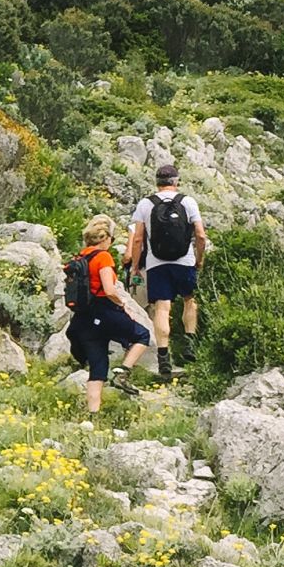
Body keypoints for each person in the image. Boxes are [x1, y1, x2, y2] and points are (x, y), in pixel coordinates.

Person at [126, 162, 208, 381]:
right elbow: (200, 235)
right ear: (176, 181)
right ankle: (189, 344)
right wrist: (199, 260)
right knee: (190, 300)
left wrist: (135, 266)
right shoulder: (188, 202)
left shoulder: (146, 204)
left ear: (157, 183)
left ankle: (164, 359)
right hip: (185, 261)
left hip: (156, 263)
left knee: (162, 309)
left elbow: (138, 239)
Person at [68, 215, 157, 415]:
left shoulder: (80, 257)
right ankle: (123, 373)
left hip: (83, 317)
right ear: (105, 238)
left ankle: (93, 415)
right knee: (141, 335)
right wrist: (122, 302)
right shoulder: (103, 257)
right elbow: (109, 289)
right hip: (104, 309)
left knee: (97, 367)